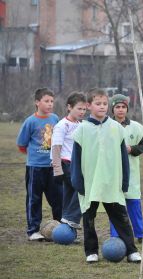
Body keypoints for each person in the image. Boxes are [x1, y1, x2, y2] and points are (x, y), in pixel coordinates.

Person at [70, 88, 141, 263]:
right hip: (90, 184)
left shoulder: (117, 128)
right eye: (97, 103)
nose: (102, 107)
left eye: (104, 104)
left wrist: (124, 183)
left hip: (112, 183)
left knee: (121, 218)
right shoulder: (82, 130)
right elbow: (75, 160)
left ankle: (131, 251)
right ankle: (91, 251)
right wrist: (78, 183)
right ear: (88, 106)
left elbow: (124, 159)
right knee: (89, 218)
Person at [16, 88, 62, 241]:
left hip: (53, 167)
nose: (50, 104)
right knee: (34, 199)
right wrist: (35, 157)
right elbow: (21, 144)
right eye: (46, 101)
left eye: (51, 101)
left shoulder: (55, 118)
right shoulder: (30, 121)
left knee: (58, 198)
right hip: (35, 168)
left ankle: (61, 227)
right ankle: (33, 230)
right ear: (37, 102)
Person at [108, 94, 143, 244]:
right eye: (117, 107)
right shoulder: (106, 126)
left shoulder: (137, 127)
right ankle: (116, 235)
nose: (120, 110)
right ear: (112, 109)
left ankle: (140, 233)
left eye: (123, 107)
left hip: (132, 174)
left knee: (134, 204)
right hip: (112, 174)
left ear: (127, 109)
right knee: (115, 205)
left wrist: (131, 149)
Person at [51, 92, 87, 234]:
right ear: (69, 107)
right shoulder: (62, 125)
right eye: (79, 108)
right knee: (84, 189)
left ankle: (68, 230)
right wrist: (57, 170)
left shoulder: (81, 124)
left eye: (84, 109)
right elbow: (56, 148)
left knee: (70, 195)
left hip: (77, 165)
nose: (82, 112)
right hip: (66, 164)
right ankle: (71, 218)